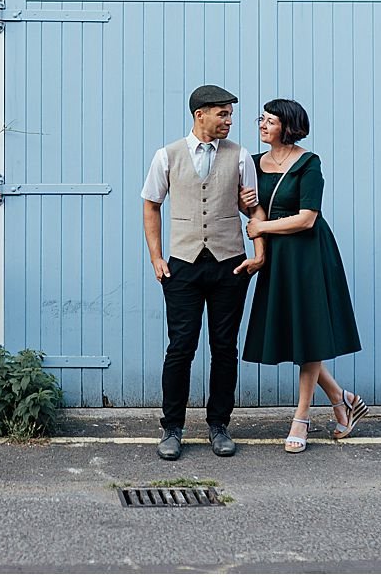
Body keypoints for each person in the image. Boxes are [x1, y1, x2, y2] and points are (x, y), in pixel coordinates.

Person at [141, 84, 263, 461]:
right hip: (183, 264)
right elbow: (150, 205)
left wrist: (258, 253)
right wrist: (157, 258)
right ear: (201, 115)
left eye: (230, 114)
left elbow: (253, 213)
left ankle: (219, 425)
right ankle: (172, 428)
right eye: (222, 114)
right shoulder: (167, 155)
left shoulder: (240, 156)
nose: (229, 121)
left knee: (225, 348)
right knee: (181, 347)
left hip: (230, 263)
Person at [243, 98, 365, 453]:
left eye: (269, 121)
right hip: (278, 255)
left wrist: (262, 224)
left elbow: (307, 217)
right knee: (295, 332)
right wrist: (250, 214)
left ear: (288, 126)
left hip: (309, 253)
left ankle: (302, 417)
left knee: (309, 332)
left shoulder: (310, 163)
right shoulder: (253, 163)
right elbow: (252, 208)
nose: (262, 125)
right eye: (261, 120)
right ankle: (341, 400)